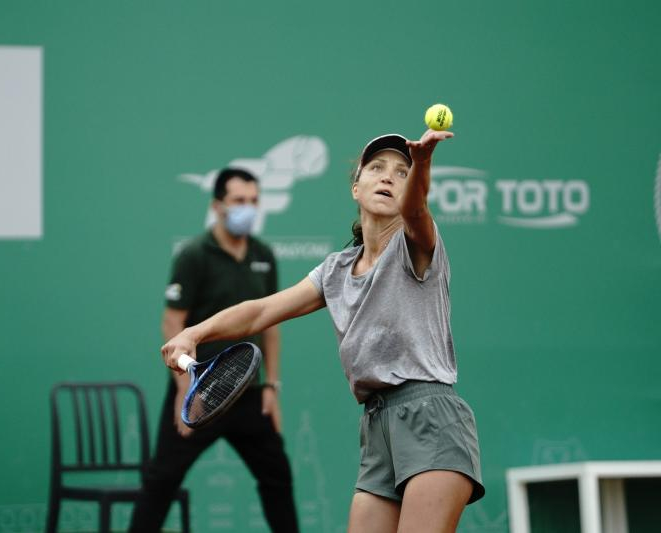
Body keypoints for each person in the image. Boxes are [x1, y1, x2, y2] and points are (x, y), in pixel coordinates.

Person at [161, 130, 485, 533]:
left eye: (402, 173)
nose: (388, 177)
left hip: (431, 419)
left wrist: (423, 163)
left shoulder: (416, 245)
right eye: (377, 168)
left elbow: (417, 212)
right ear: (356, 186)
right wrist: (195, 331)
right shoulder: (335, 270)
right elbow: (261, 311)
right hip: (376, 427)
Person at [128, 168, 299, 533]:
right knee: (161, 482)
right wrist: (183, 392)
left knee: (278, 481)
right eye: (239, 201)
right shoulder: (193, 255)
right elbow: (172, 323)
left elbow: (270, 325)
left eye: (254, 201)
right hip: (199, 391)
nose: (248, 208)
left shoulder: (265, 255)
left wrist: (272, 387)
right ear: (217, 206)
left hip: (250, 394)